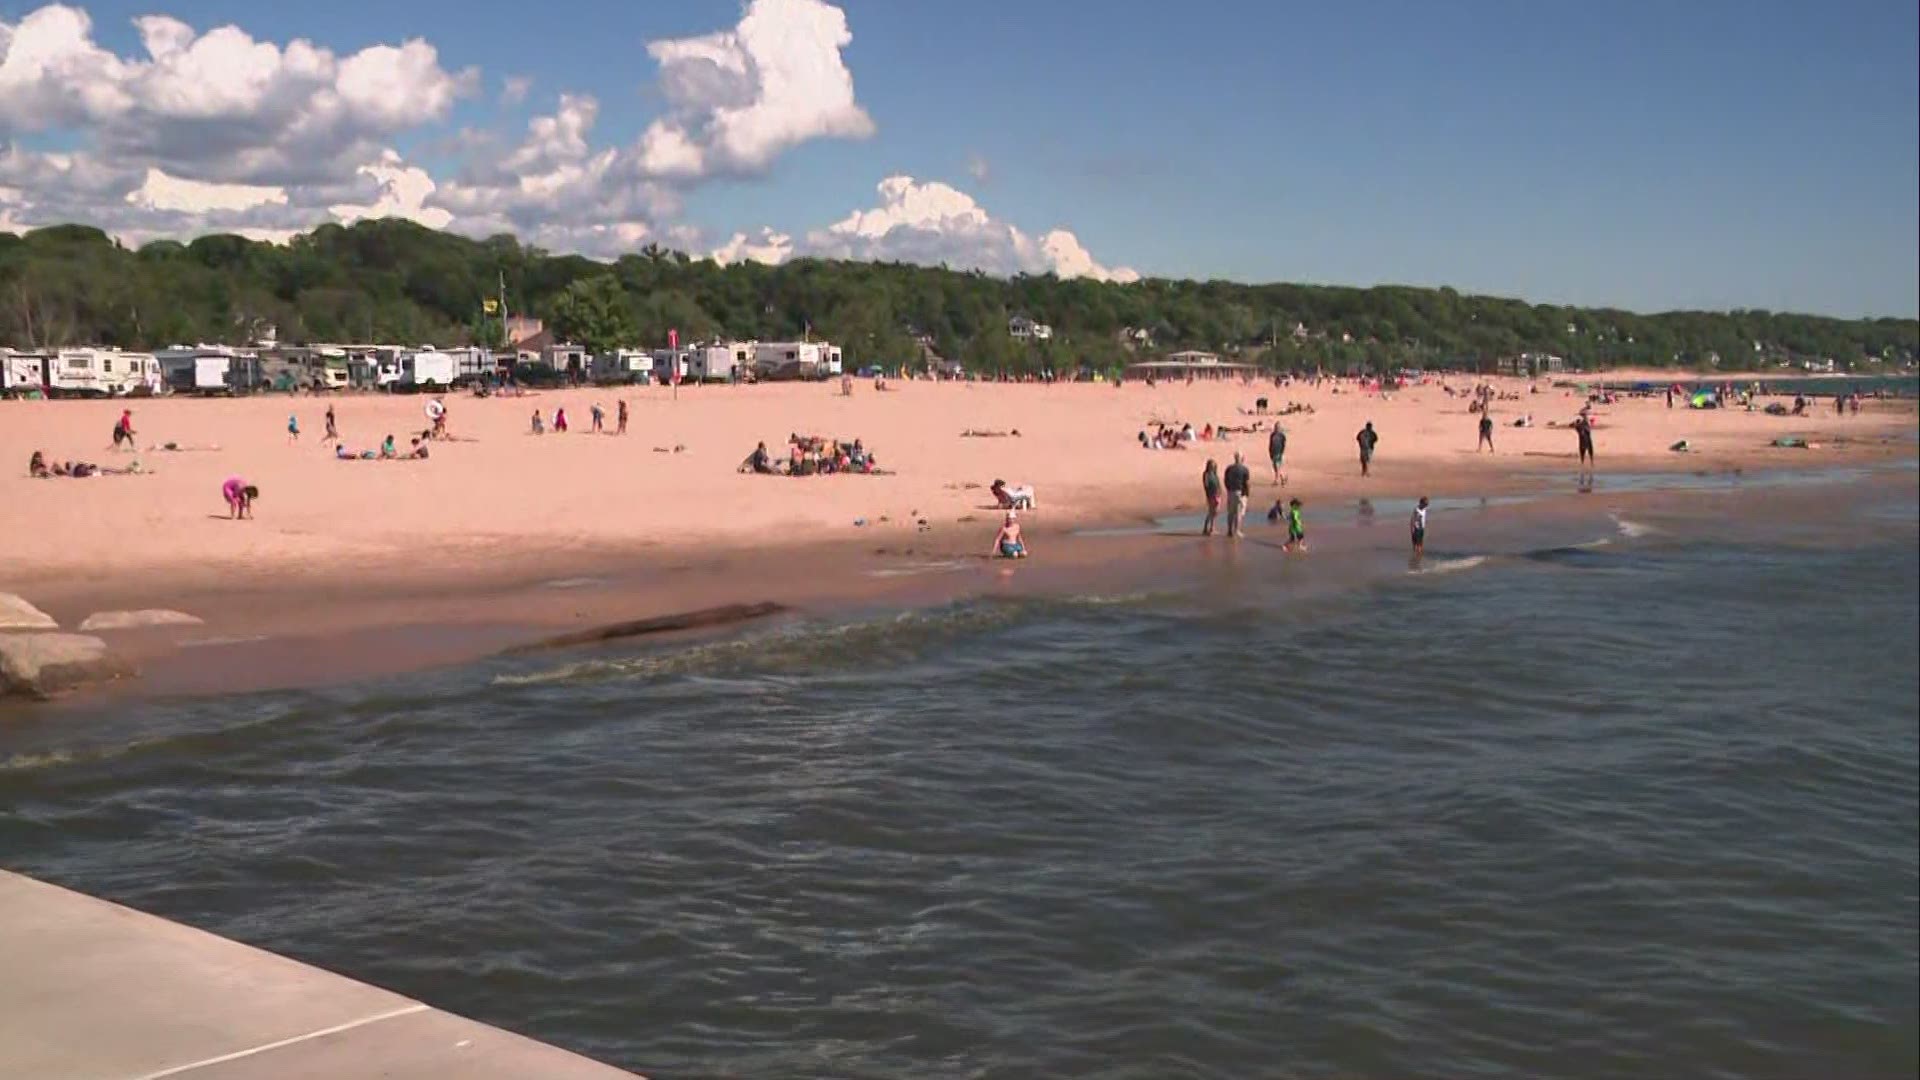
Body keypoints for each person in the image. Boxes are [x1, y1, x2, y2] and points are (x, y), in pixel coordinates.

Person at [1222, 452, 1252, 539]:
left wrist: (1228, 489)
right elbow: (1247, 483)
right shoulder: (1244, 469)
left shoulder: (1229, 468)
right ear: (1242, 459)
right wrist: (1247, 493)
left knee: (1230, 512)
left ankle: (1229, 530)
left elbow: (1226, 480)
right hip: (1240, 492)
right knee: (1238, 513)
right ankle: (1237, 531)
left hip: (1231, 491)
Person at [1201, 459, 1222, 537]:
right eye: (1211, 465)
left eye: (1213, 466)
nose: (1212, 467)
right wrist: (1211, 494)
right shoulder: (1206, 474)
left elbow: (1217, 484)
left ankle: (1210, 528)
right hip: (1212, 495)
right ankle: (1209, 528)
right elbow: (1206, 485)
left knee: (1214, 511)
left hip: (1216, 494)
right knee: (1213, 511)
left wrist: (1219, 492)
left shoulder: (1214, 474)